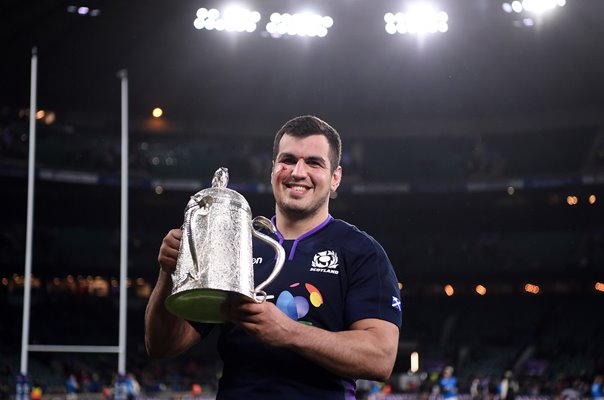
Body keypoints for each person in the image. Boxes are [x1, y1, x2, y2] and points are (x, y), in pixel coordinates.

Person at [145, 115, 402, 399]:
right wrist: (168, 273)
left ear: (335, 178)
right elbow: (162, 345)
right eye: (288, 160)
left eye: (314, 163)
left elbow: (380, 358)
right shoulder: (235, 244)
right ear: (272, 170)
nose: (298, 172)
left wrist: (289, 332)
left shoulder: (362, 251)